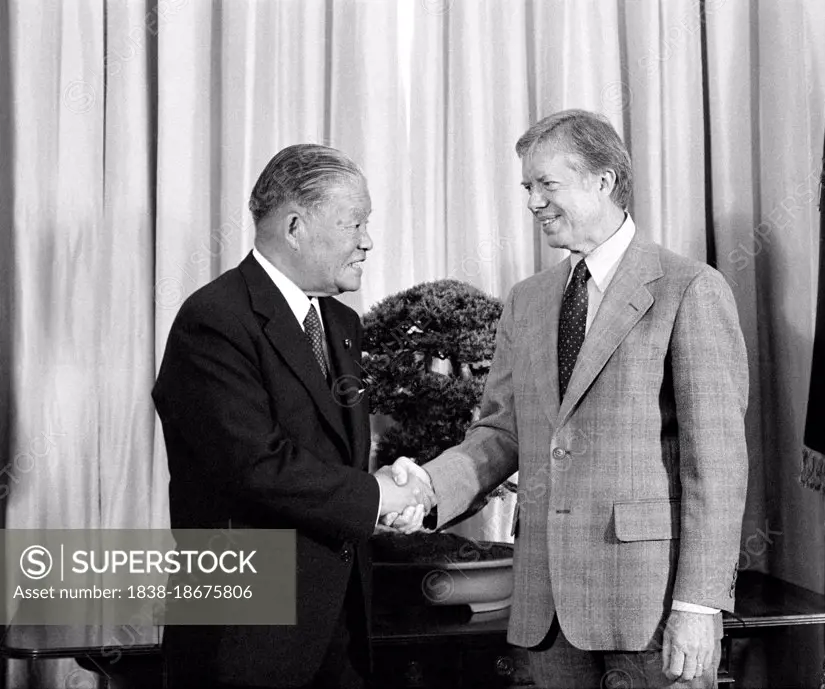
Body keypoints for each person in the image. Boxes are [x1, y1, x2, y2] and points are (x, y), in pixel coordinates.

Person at [391, 110, 748, 688]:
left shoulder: (690, 289)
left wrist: (701, 605)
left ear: (602, 180)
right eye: (527, 188)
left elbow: (719, 467)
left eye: (545, 184)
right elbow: (501, 433)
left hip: (652, 610)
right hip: (546, 608)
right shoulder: (527, 301)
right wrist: (428, 488)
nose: (533, 202)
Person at [153, 144, 431, 689]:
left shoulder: (342, 323)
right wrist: (376, 497)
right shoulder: (214, 320)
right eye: (355, 223)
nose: (367, 240)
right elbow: (254, 466)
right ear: (296, 226)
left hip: (340, 628)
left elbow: (332, 455)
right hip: (247, 636)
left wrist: (389, 493)